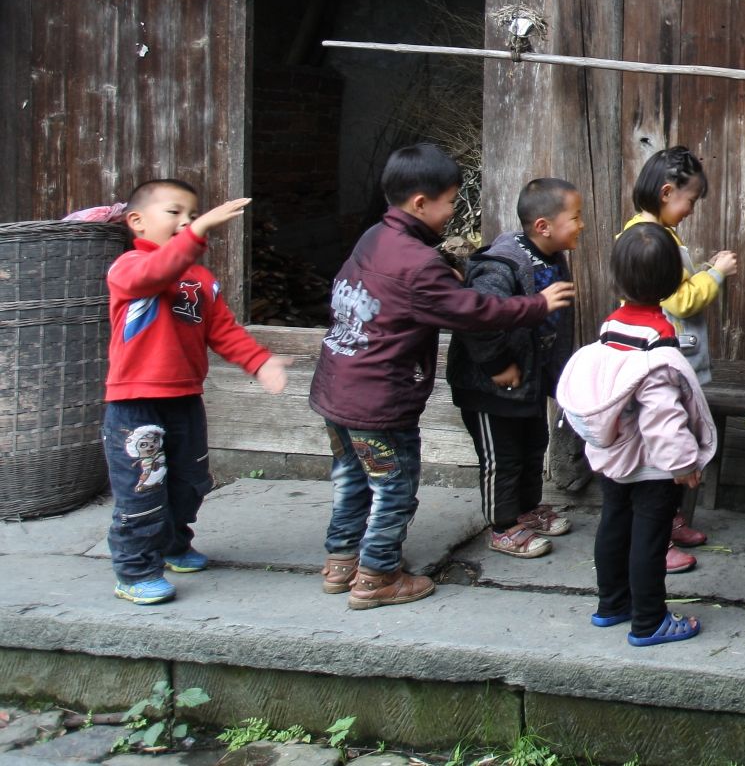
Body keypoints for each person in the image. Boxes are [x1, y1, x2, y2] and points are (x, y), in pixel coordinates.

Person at [309, 144, 574, 609]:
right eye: (451, 200)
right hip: (379, 401)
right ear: (419, 203)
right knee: (393, 489)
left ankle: (341, 563)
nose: (453, 210)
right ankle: (377, 576)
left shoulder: (374, 237)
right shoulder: (419, 263)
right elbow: (470, 311)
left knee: (351, 479)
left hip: (336, 386)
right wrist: (536, 305)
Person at [102, 180, 291, 605]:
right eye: (175, 213)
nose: (187, 222)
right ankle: (134, 571)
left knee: (190, 481)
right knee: (142, 488)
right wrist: (199, 230)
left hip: (185, 399)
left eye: (192, 215)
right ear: (136, 221)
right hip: (135, 404)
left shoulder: (201, 279)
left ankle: (174, 543)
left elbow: (222, 331)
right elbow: (157, 272)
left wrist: (260, 362)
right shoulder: (128, 267)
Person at [556, 223, 713, 648]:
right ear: (670, 283)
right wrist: (683, 465)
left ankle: (612, 604)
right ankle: (649, 621)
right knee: (650, 537)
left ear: (615, 279)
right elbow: (664, 418)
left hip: (611, 452)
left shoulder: (611, 328)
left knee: (613, 524)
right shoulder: (659, 347)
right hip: (651, 465)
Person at [447, 177, 584, 559]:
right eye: (576, 217)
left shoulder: (553, 257)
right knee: (501, 457)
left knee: (531, 447)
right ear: (543, 226)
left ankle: (526, 510)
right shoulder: (501, 264)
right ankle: (503, 526)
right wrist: (496, 364)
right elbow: (475, 320)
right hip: (490, 384)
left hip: (527, 380)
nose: (582, 224)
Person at [619, 146, 738, 564]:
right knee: (659, 450)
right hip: (663, 365)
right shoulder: (648, 239)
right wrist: (716, 273)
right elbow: (681, 301)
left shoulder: (659, 233)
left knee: (672, 444)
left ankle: (669, 522)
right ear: (667, 192)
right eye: (690, 200)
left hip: (674, 360)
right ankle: (657, 541)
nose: (691, 209)